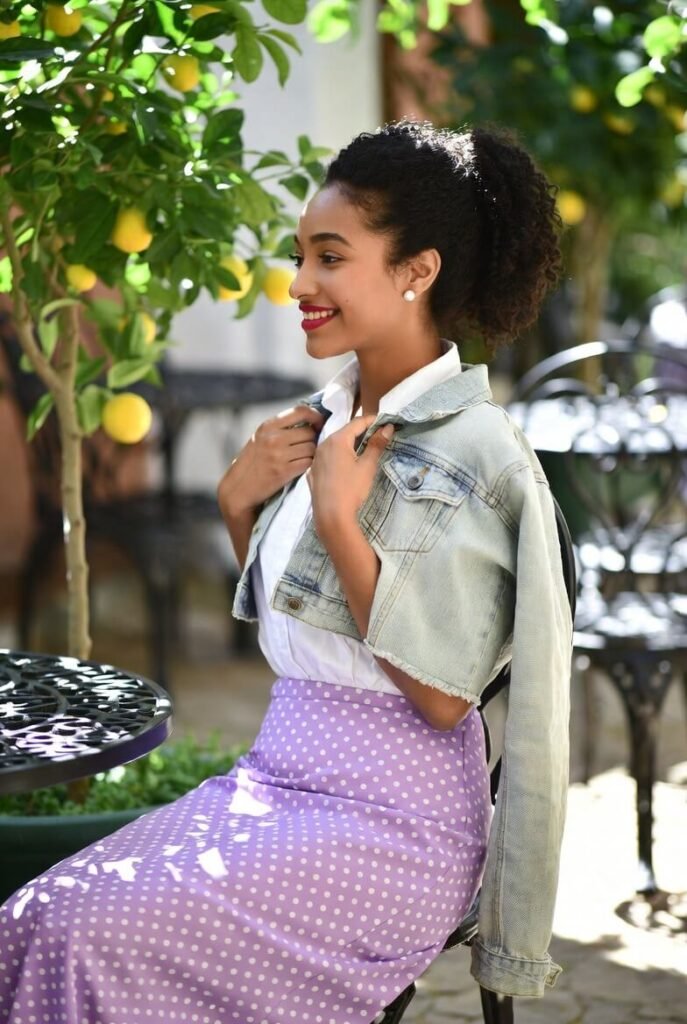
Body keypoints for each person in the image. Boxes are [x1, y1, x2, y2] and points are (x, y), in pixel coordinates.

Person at [0, 119, 572, 1023]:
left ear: (414, 270)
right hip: (277, 781)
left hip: (392, 830)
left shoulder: (475, 453)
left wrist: (340, 519)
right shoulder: (319, 420)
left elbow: (440, 698)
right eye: (300, 255)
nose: (299, 284)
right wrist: (240, 507)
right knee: (30, 919)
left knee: (80, 935)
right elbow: (306, 635)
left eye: (329, 256)